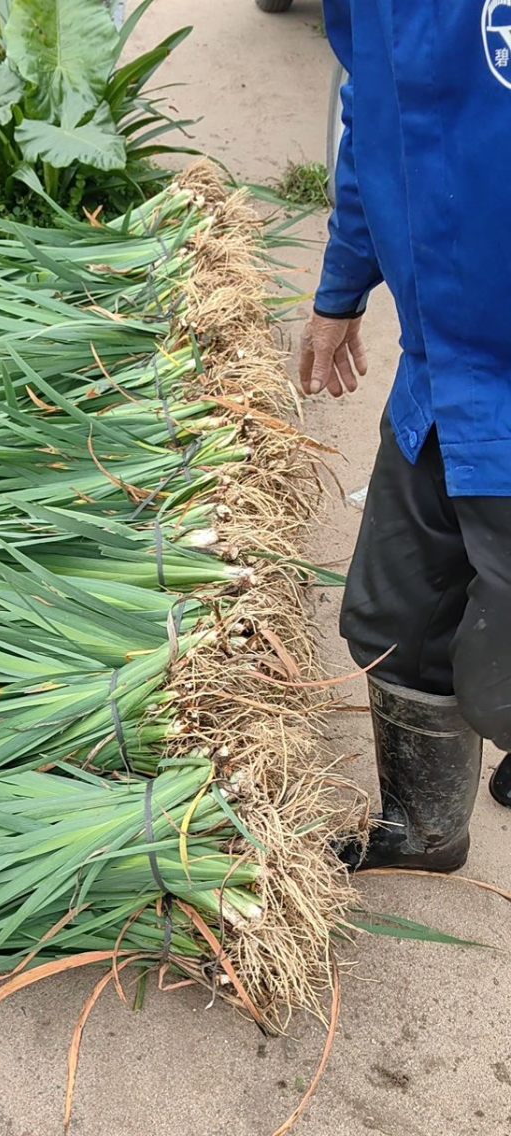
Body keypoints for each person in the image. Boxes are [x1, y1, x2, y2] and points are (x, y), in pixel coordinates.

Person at [299, 0, 511, 872]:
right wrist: (340, 289)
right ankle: (426, 829)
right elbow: (373, 116)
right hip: (442, 372)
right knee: (399, 612)